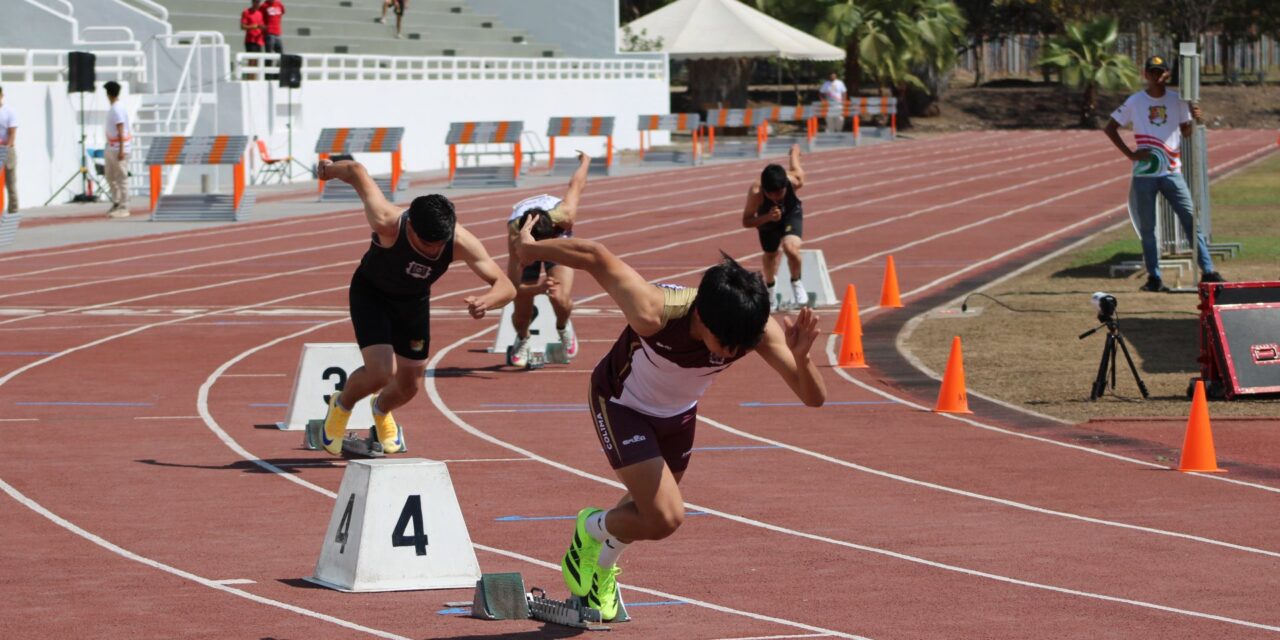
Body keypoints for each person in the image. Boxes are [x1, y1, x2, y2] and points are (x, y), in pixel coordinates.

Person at [513, 222, 825, 622]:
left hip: (677, 416)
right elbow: (595, 256)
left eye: (741, 347)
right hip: (621, 403)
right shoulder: (655, 310)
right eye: (726, 345)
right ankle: (589, 530)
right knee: (665, 517)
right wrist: (532, 249)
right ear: (701, 318)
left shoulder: (750, 329)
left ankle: (600, 567)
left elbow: (813, 398)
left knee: (649, 514)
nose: (732, 353)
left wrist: (803, 357)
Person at [317, 159, 515, 456]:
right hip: (372, 294)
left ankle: (381, 410)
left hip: (412, 304)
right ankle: (341, 404)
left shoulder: (459, 241)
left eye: (440, 243)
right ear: (411, 225)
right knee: (382, 372)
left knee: (409, 385)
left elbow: (506, 286)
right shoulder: (387, 221)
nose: (435, 249)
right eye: (426, 242)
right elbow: (357, 172)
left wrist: (487, 301)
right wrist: (328, 170)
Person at [1105, 55, 1224, 291]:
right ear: (1145, 74)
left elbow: (1186, 133)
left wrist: (1195, 118)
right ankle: (1154, 278)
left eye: (1161, 72)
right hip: (1144, 174)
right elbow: (1110, 128)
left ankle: (1208, 272)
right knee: (1148, 229)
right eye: (1152, 72)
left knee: (1191, 222)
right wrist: (1130, 154)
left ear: (1167, 74)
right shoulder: (1135, 101)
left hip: (1172, 172)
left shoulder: (1178, 101)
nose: (1157, 76)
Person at [505, 151, 591, 367]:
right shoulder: (516, 238)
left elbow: (577, 184)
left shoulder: (564, 214)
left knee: (560, 297)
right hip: (529, 241)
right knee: (522, 308)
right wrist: (537, 289)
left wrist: (586, 161)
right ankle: (523, 338)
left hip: (558, 239)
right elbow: (513, 287)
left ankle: (563, 327)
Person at [741, 144, 807, 311]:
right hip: (767, 221)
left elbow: (795, 166)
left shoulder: (793, 181)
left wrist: (794, 153)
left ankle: (796, 282)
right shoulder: (756, 192)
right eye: (773, 195)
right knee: (770, 255)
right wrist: (767, 217)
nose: (777, 197)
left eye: (781, 193)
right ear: (766, 191)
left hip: (791, 214)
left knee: (790, 248)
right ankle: (770, 290)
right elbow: (747, 221)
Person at [103, 81, 131, 218]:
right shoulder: (115, 107)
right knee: (110, 176)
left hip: (119, 148)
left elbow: (120, 128)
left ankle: (124, 206)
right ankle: (116, 202)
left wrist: (121, 150)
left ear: (109, 94)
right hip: (111, 146)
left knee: (121, 177)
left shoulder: (117, 108)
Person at [0, 86, 17, 213]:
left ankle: (13, 211)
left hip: (7, 150)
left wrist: (6, 148)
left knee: (10, 184)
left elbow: (12, 133)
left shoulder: (8, 112)